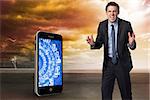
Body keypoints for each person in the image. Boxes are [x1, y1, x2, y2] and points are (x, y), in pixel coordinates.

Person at [86, 2, 136, 100]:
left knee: (126, 95)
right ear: (106, 13)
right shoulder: (102, 25)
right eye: (109, 11)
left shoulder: (126, 25)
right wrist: (93, 44)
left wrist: (131, 43)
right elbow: (99, 43)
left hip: (122, 64)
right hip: (108, 65)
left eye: (114, 11)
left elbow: (133, 46)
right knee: (106, 93)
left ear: (118, 12)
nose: (112, 14)